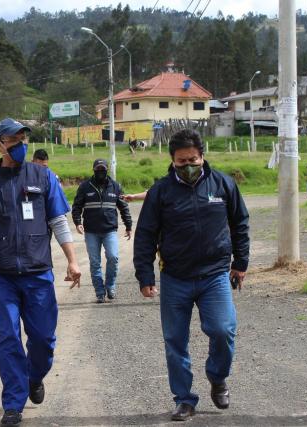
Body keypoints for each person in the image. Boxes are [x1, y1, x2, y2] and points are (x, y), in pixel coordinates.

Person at [0, 118, 82, 426]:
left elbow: (58, 222)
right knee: (8, 338)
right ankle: (13, 404)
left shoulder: (43, 176)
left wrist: (72, 260)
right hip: (1, 274)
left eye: (23, 139)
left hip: (38, 271)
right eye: (14, 140)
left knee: (43, 338)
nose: (21, 145)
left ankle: (34, 376)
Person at [133, 129, 250, 422]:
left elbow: (240, 223)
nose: (188, 166)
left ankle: (218, 377)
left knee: (223, 330)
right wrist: (144, 275)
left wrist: (241, 262)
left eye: (193, 159)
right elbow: (145, 234)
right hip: (175, 278)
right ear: (172, 160)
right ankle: (184, 400)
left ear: (203, 155)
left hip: (215, 276)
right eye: (181, 161)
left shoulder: (223, 184)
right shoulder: (161, 192)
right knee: (175, 341)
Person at [72, 159, 132, 303]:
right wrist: (78, 222)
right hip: (91, 232)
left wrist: (128, 225)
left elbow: (123, 207)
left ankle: (110, 286)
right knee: (95, 263)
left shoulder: (115, 187)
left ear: (107, 170)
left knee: (113, 257)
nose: (100, 172)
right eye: (98, 169)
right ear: (93, 170)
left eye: (103, 169)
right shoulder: (85, 187)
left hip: (110, 230)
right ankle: (99, 291)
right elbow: (77, 206)